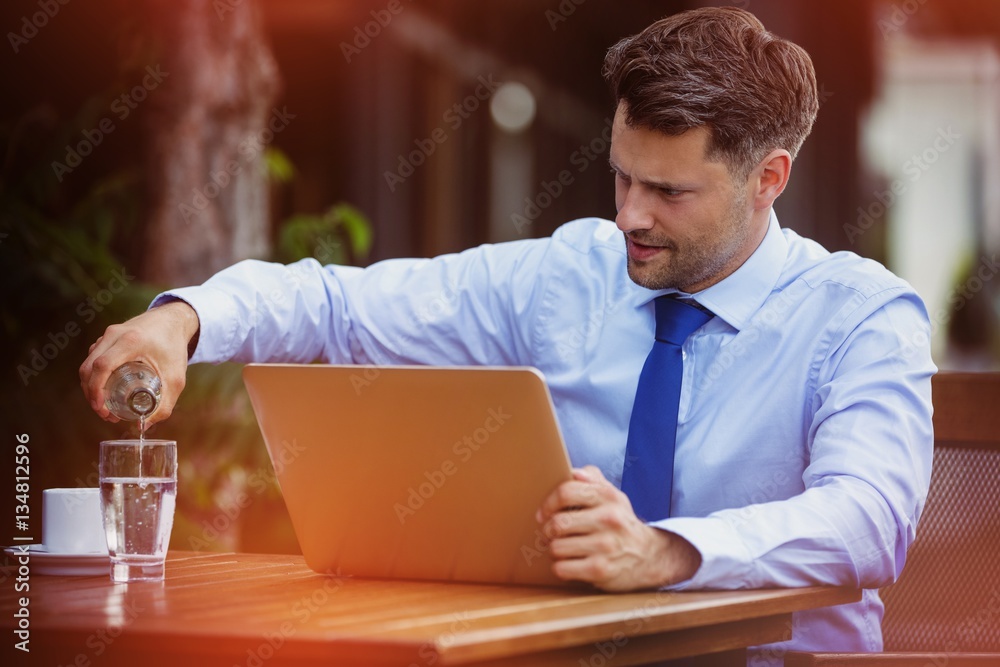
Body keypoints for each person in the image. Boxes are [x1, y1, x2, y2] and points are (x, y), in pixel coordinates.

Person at [79, 7, 935, 665]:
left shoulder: (861, 316)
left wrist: (664, 552)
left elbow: (869, 518)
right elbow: (342, 309)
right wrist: (182, 319)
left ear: (768, 179)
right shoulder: (571, 276)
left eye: (668, 192)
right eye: (621, 175)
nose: (628, 215)